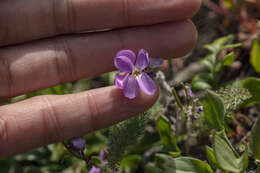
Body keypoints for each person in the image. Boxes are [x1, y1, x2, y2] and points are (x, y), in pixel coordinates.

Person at [0, 0, 201, 157]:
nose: (137, 73)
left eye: (138, 72)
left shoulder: (139, 66)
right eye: (136, 72)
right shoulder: (129, 69)